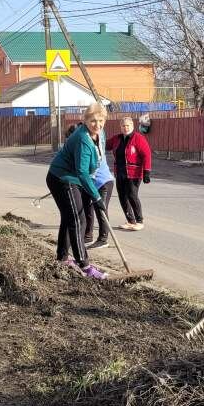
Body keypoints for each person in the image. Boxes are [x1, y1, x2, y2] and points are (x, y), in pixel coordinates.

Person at [46, 103, 109, 280]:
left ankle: (63, 258)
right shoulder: (83, 138)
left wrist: (93, 187)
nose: (97, 124)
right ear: (85, 121)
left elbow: (95, 161)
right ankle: (84, 265)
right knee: (78, 219)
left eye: (101, 120)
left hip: (75, 179)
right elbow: (82, 171)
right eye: (93, 121)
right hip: (63, 179)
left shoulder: (99, 134)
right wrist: (96, 196)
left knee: (69, 217)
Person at [107, 116, 152, 231]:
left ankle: (139, 221)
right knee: (122, 197)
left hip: (134, 174)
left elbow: (146, 155)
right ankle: (130, 220)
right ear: (120, 127)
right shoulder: (117, 139)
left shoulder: (138, 138)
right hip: (120, 173)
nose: (125, 128)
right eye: (123, 125)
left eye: (128, 125)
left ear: (132, 126)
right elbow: (105, 145)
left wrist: (147, 171)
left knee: (132, 195)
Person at [81, 122, 114, 249]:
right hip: (89, 183)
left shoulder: (95, 143)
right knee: (87, 208)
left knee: (101, 209)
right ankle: (87, 236)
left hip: (103, 181)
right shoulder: (84, 143)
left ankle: (103, 239)